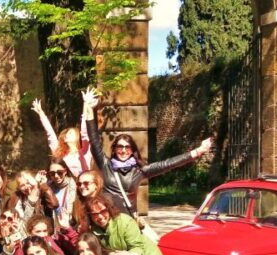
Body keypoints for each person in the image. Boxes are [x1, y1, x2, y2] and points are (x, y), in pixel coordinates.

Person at [82, 87, 212, 215]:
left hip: (128, 222)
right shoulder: (106, 165)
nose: (123, 150)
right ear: (114, 149)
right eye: (120, 147)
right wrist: (88, 107)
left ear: (132, 150)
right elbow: (94, 140)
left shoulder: (139, 170)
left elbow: (168, 164)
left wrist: (198, 151)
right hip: (108, 219)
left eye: (127, 147)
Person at [83, 194, 170, 255]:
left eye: (103, 211)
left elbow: (137, 249)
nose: (100, 216)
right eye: (94, 214)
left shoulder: (125, 222)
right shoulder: (93, 229)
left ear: (109, 209)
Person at [31, 98, 93, 177]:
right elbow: (50, 134)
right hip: (67, 186)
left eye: (70, 133)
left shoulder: (85, 151)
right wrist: (41, 113)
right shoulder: (60, 153)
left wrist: (86, 103)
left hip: (84, 184)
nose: (67, 135)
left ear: (77, 136)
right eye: (66, 133)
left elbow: (85, 131)